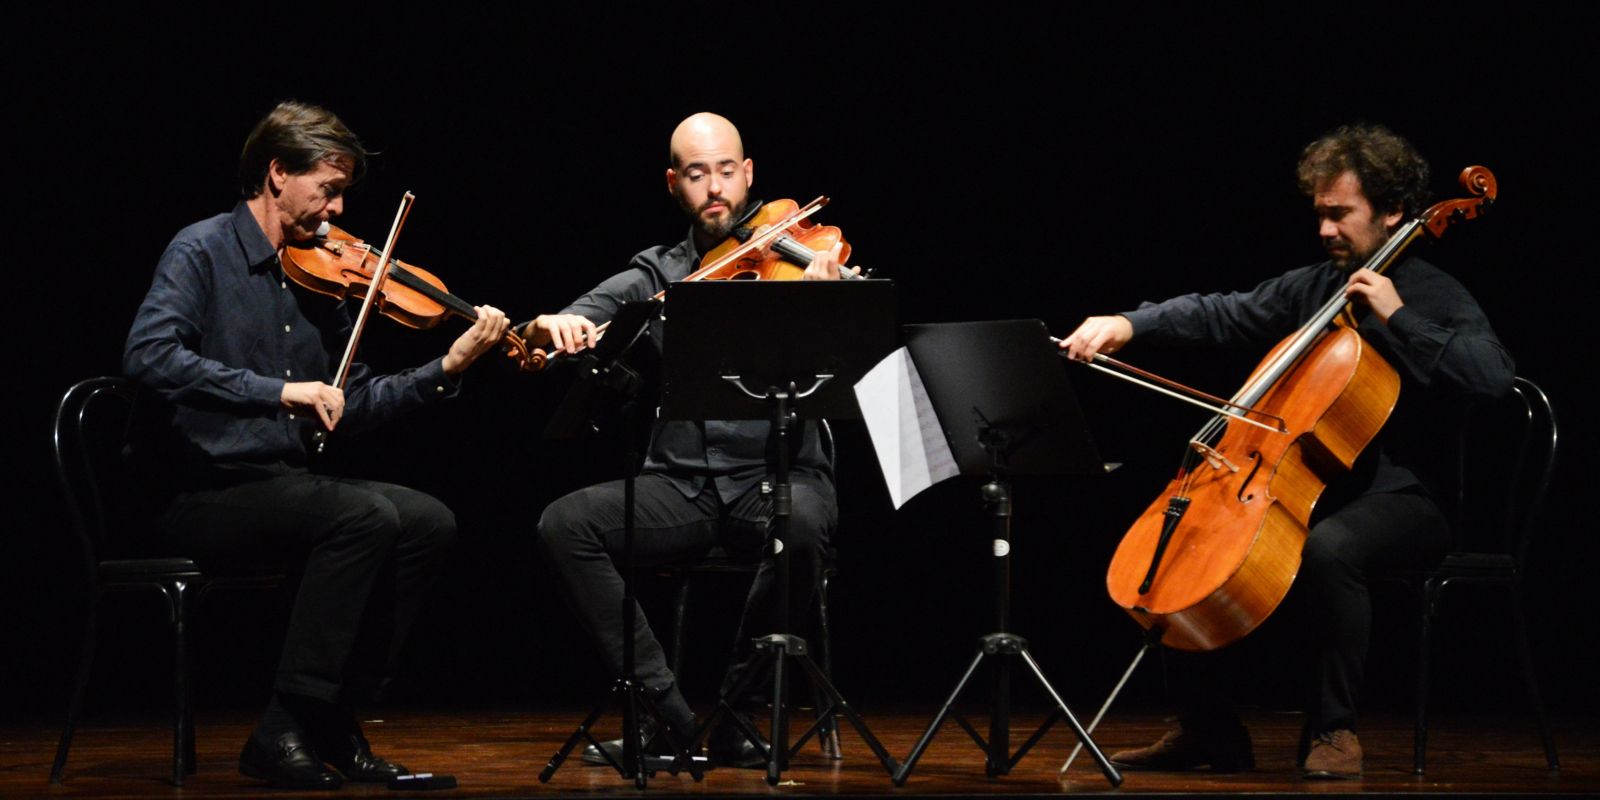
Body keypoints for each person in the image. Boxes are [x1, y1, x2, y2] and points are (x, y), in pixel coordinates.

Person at [1059, 123, 1513, 779]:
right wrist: (1130, 323)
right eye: (1319, 213)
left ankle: (1333, 730)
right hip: (1307, 482)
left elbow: (1493, 379)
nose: (1326, 230)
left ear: (1392, 212)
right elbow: (1225, 311)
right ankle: (1208, 730)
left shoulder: (1433, 292)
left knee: (1331, 547)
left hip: (1408, 498)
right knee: (1181, 538)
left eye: (1340, 214)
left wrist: (1397, 316)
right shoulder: (1318, 286)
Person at [123, 100, 510, 790]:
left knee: (427, 521)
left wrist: (444, 370)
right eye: (326, 189)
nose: (335, 211)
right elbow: (149, 357)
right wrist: (276, 392)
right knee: (361, 516)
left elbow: (349, 402)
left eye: (341, 194)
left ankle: (328, 715)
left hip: (283, 488)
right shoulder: (201, 249)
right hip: (200, 491)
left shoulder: (318, 274)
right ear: (277, 173)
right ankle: (285, 728)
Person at [527, 112, 857, 767]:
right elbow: (568, 317)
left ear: (749, 174)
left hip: (778, 475)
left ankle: (737, 713)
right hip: (680, 485)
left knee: (803, 526)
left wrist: (836, 303)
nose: (716, 189)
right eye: (698, 174)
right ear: (674, 184)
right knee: (564, 525)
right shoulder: (658, 273)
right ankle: (665, 712)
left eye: (727, 172)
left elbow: (865, 354)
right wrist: (552, 326)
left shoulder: (797, 253)